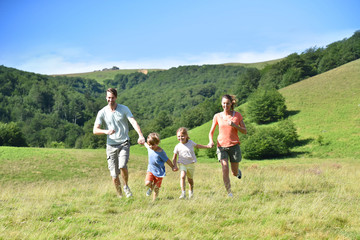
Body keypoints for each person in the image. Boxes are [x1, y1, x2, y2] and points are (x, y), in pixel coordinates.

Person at [93, 88, 145, 198]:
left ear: (116, 98)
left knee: (122, 165)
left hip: (124, 143)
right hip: (111, 145)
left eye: (112, 97)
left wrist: (140, 135)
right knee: (114, 174)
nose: (110, 100)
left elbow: (133, 122)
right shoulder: (102, 112)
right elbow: (95, 130)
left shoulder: (124, 109)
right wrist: (106, 131)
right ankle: (120, 195)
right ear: (106, 98)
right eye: (108, 97)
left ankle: (126, 186)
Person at [208, 94, 247, 197]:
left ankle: (237, 172)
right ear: (221, 104)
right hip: (221, 146)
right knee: (225, 168)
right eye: (224, 103)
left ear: (231, 104)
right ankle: (229, 193)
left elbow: (244, 131)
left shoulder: (237, 115)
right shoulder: (217, 116)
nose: (226, 105)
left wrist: (234, 125)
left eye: (228, 103)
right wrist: (211, 141)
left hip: (234, 146)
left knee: (234, 172)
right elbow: (211, 132)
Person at [172, 127, 210, 199]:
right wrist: (174, 166)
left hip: (191, 164)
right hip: (182, 164)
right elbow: (174, 157)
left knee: (190, 180)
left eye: (182, 136)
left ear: (186, 136)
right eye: (178, 136)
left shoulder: (190, 142)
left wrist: (207, 146)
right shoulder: (177, 146)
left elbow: (198, 146)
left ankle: (191, 193)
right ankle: (183, 194)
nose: (180, 138)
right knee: (182, 176)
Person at [141, 132, 177, 201]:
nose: (151, 146)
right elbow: (146, 145)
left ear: (157, 143)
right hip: (151, 170)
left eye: (153, 145)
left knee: (156, 188)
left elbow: (167, 160)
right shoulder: (149, 147)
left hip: (159, 172)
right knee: (147, 183)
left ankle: (154, 201)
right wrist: (143, 142)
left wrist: (173, 166)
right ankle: (151, 188)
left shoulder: (161, 152)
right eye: (149, 144)